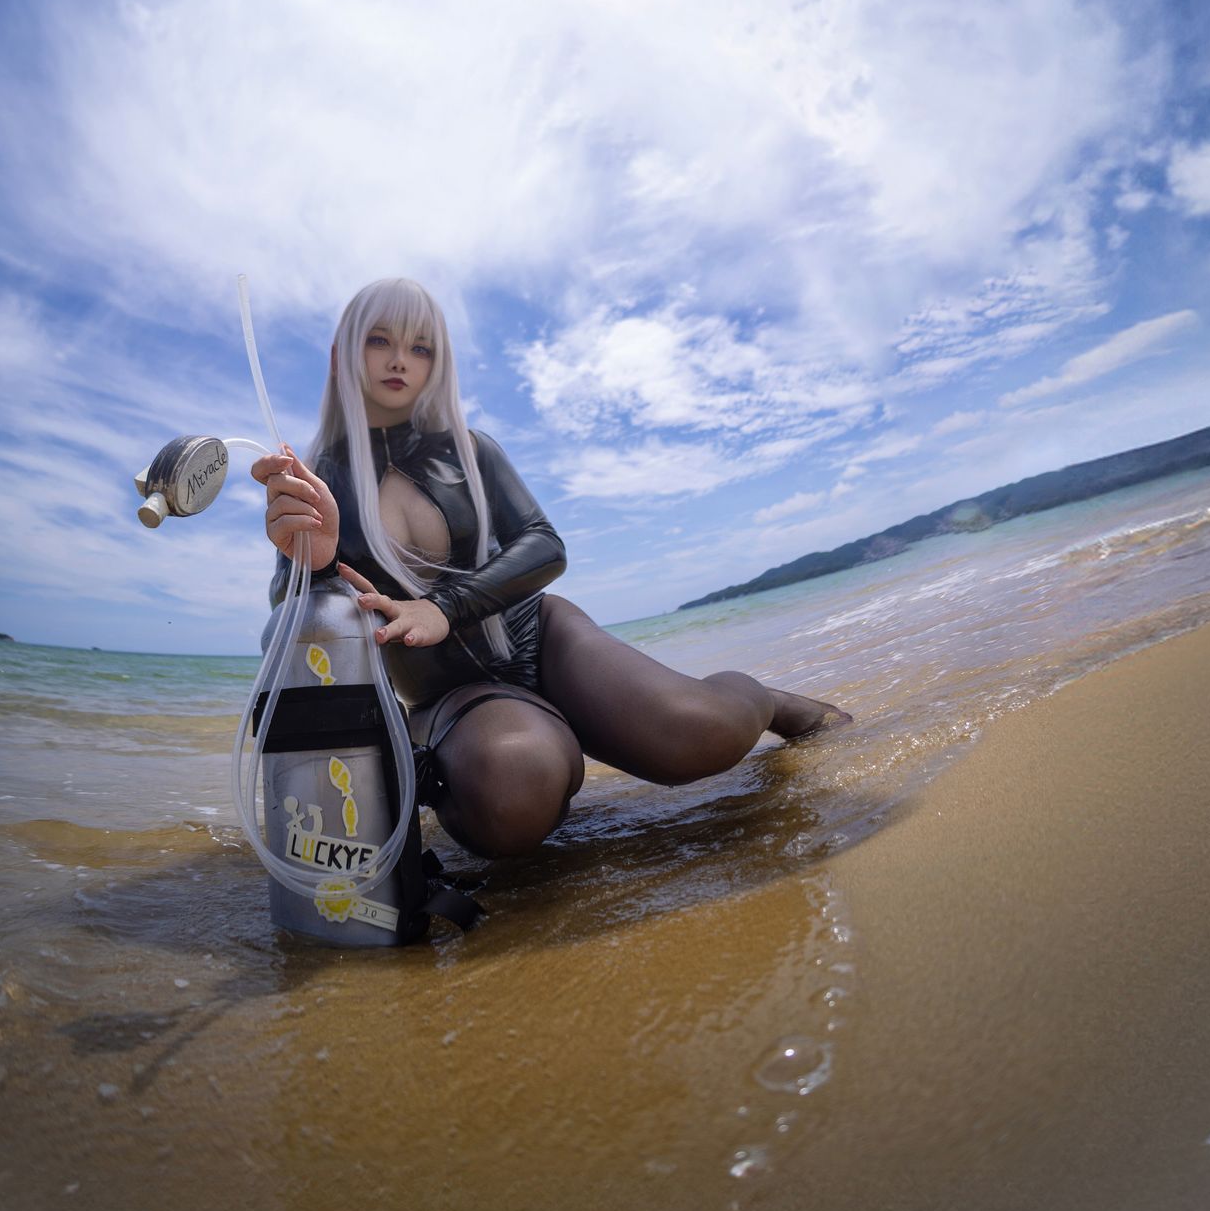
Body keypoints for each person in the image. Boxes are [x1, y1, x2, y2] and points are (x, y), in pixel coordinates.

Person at [252, 278, 850, 861]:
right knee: (513, 791)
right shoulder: (315, 483)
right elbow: (295, 619)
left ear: (439, 363)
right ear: (341, 354)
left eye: (421, 347)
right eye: (379, 340)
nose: (399, 360)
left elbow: (544, 544)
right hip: (446, 694)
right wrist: (315, 562)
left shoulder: (469, 450)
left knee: (701, 734)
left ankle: (763, 702)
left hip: (543, 637)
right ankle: (504, 751)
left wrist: (444, 607)